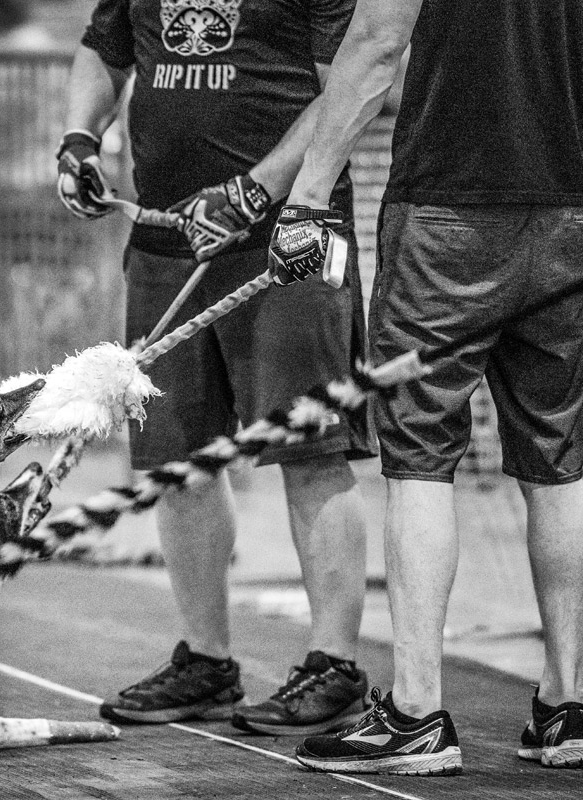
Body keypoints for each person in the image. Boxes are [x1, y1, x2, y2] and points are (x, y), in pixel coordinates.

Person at [269, 0, 583, 776]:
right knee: (562, 449)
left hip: (449, 208)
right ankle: (568, 704)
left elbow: (379, 40)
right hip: (574, 207)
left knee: (420, 454)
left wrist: (307, 195)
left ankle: (414, 712)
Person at [56, 0, 376, 737]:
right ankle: (207, 662)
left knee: (312, 451)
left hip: (284, 238)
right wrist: (80, 137)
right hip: (168, 241)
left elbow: (349, 85)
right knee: (176, 460)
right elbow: (105, 48)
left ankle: (335, 665)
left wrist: (256, 188)